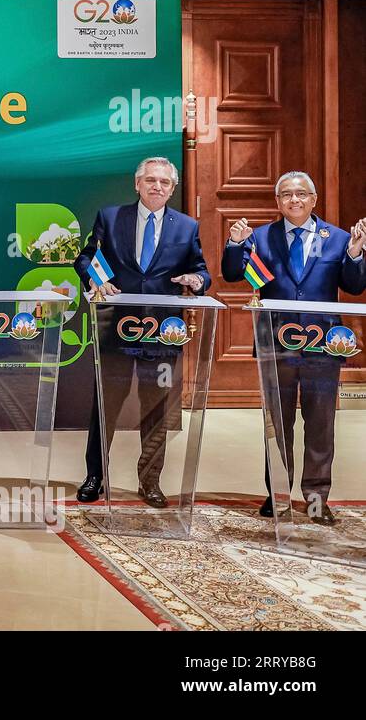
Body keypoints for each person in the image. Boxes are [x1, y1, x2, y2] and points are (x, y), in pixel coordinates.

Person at [220, 171, 366, 524]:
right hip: (276, 344)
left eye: (302, 194)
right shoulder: (261, 237)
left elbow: (354, 286)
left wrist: (356, 253)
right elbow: (231, 274)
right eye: (286, 194)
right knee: (277, 423)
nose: (294, 200)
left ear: (314, 200)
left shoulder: (339, 238)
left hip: (322, 346)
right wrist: (236, 244)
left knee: (320, 424)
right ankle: (278, 494)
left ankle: (317, 498)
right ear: (278, 201)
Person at [73, 156, 210, 507]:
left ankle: (150, 481)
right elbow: (85, 258)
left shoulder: (186, 226)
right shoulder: (110, 216)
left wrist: (195, 281)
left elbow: (201, 270)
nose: (157, 187)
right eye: (150, 180)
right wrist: (95, 276)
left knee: (157, 411)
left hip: (163, 335)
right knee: (105, 409)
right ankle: (95, 477)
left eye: (164, 183)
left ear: (172, 188)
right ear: (137, 184)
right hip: (116, 329)